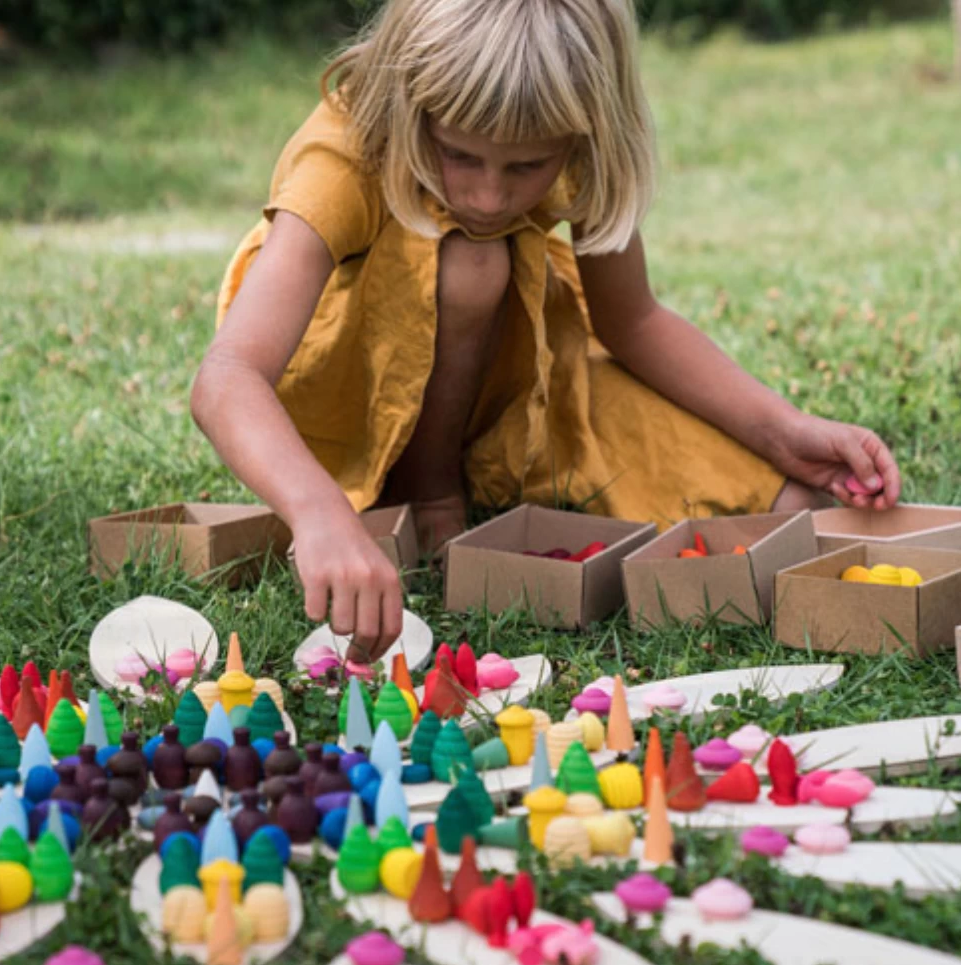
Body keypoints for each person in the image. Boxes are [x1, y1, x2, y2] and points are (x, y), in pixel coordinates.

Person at [190, 0, 901, 662]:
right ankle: (428, 496)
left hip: (513, 374)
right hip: (336, 391)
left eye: (527, 167)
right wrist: (319, 516)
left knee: (788, 505)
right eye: (459, 155)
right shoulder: (345, 153)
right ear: (411, 108)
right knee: (473, 260)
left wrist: (783, 433)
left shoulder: (580, 143)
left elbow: (633, 322)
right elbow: (228, 379)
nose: (488, 195)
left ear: (586, 131)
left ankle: (467, 471)